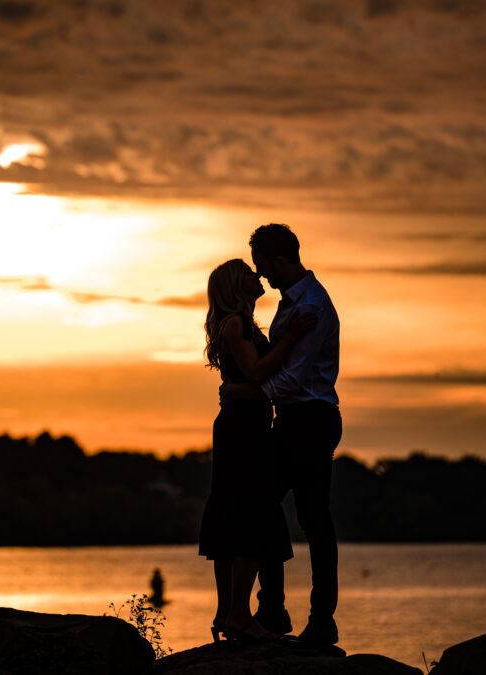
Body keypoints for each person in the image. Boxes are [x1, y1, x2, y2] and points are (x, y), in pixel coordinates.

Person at [223, 223, 342, 647]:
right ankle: (271, 610)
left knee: (313, 519)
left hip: (312, 418)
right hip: (290, 420)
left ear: (279, 260)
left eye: (264, 267)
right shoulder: (291, 303)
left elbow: (293, 378)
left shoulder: (312, 306)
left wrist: (245, 390)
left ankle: (321, 621)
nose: (263, 277)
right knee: (263, 509)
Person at [199, 258, 316, 643]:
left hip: (243, 424)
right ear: (237, 285)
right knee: (251, 514)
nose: (257, 276)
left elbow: (250, 380)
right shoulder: (236, 324)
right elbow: (257, 370)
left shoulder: (239, 324)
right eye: (249, 274)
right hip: (242, 430)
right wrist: (292, 337)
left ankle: (228, 612)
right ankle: (236, 614)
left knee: (233, 512)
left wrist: (244, 390)